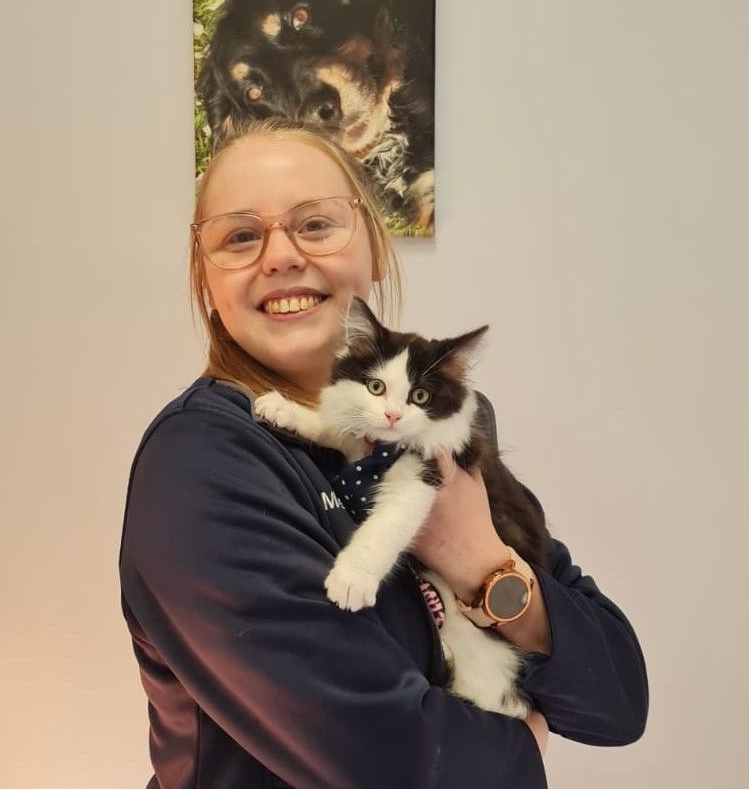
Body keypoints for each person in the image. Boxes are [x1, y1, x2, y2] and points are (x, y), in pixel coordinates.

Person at [119, 117, 648, 789]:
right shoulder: (200, 464)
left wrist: (480, 561)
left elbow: (615, 701)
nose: (279, 255)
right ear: (207, 280)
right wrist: (522, 742)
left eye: (314, 224)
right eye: (241, 235)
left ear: (372, 244)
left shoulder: (446, 433)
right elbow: (391, 761)